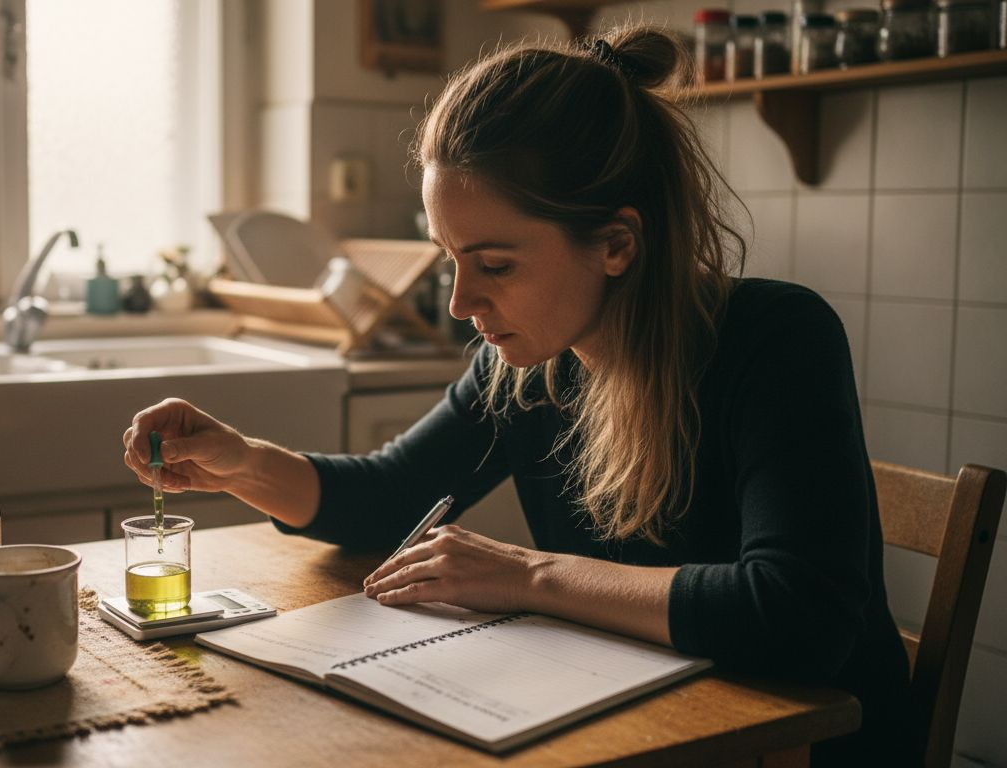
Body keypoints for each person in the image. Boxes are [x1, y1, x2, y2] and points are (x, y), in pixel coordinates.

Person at [124, 26, 910, 765]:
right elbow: (392, 496)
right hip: (638, 732)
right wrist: (241, 461)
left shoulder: (777, 339)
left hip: (796, 749)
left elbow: (797, 617)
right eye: (450, 258)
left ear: (616, 244)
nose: (461, 301)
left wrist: (527, 576)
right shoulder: (528, 367)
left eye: (495, 265)